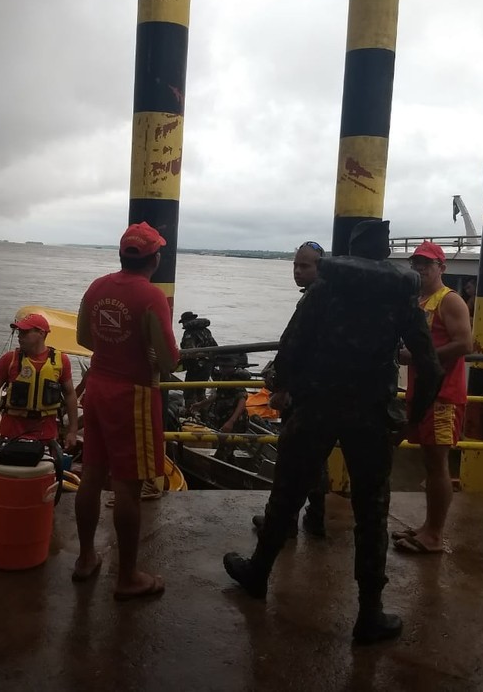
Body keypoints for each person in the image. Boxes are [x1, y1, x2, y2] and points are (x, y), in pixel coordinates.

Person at [223, 219, 443, 645]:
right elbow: (429, 364)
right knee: (372, 512)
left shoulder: (327, 286)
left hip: (316, 405)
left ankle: (257, 574)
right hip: (372, 413)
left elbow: (291, 345)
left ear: (348, 250)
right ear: (383, 254)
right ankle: (370, 614)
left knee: (286, 492)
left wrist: (283, 387)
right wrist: (412, 419)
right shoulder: (401, 292)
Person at [73, 222, 178, 600]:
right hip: (131, 396)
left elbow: (85, 337)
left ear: (122, 255)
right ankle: (127, 576)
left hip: (98, 389)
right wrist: (148, 354)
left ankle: (86, 559)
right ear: (156, 259)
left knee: (91, 476)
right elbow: (169, 360)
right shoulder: (151, 298)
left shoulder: (97, 287)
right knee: (128, 488)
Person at [393, 241, 472, 554]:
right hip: (423, 391)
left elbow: (464, 344)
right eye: (417, 263)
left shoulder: (449, 301)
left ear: (442, 267)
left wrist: (417, 357)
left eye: (427, 263)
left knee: (438, 464)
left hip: (444, 395)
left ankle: (435, 535)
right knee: (429, 461)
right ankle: (428, 527)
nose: (420, 268)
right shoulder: (419, 300)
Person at [251, 240, 329, 538]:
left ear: (320, 266)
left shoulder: (314, 300)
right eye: (295, 265)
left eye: (304, 266)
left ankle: (282, 522)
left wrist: (280, 384)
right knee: (315, 459)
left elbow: (292, 345)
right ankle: (316, 516)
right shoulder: (334, 298)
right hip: (325, 394)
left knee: (290, 460)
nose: (297, 271)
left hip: (304, 394)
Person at [0, 312, 78, 452]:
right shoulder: (9, 360)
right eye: (19, 331)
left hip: (46, 434)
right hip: (12, 432)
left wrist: (72, 430)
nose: (19, 336)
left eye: (25, 332)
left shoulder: (61, 361)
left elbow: (70, 394)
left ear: (41, 333)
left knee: (45, 471)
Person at [189, 354, 248, 433]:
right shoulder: (224, 377)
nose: (222, 369)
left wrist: (231, 422)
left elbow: (242, 401)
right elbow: (219, 395)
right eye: (221, 367)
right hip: (222, 417)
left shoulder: (235, 379)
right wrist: (200, 404)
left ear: (232, 366)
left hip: (235, 420)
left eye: (225, 367)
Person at [179, 311, 217, 406]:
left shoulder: (189, 333)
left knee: (189, 393)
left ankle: (190, 414)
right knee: (201, 391)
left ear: (186, 321)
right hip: (208, 365)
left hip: (195, 367)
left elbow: (189, 352)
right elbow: (215, 347)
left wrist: (178, 359)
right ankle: (204, 416)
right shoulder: (206, 331)